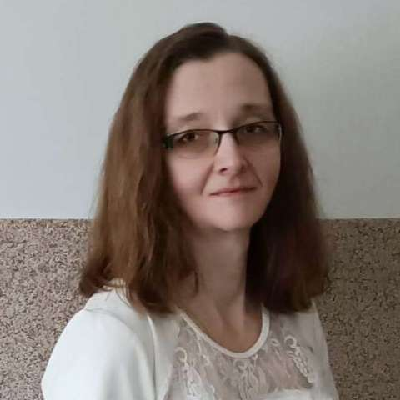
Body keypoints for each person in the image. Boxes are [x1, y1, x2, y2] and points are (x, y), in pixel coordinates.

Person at [41, 22, 339, 400]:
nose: (232, 159)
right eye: (191, 137)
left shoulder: (295, 319)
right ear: (147, 162)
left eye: (253, 128)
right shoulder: (115, 339)